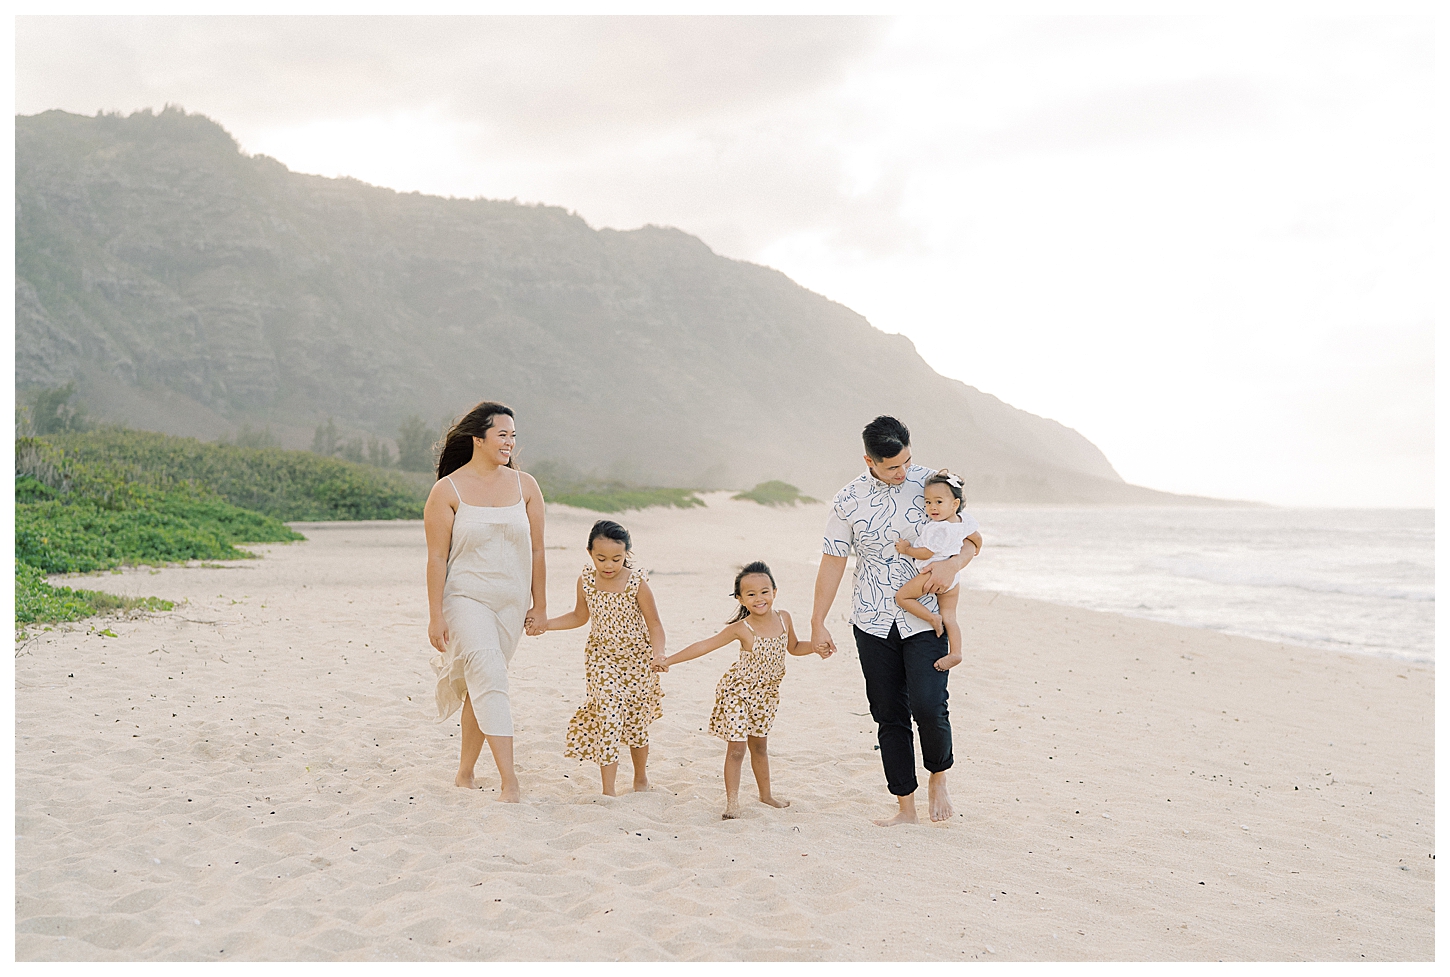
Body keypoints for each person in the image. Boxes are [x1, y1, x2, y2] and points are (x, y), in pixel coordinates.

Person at [809, 416, 983, 826]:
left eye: (906, 461)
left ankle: (939, 775)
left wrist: (954, 563)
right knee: (888, 713)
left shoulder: (934, 485)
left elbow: (973, 537)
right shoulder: (847, 500)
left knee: (928, 704)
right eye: (892, 467)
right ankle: (905, 805)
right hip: (871, 618)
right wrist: (817, 621)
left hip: (927, 617)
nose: (902, 472)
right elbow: (832, 563)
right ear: (869, 460)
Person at [424, 401, 547, 802]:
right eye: (502, 435)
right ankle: (510, 781)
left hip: (510, 604)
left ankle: (464, 773)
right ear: (478, 439)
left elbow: (539, 551)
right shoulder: (447, 491)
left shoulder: (525, 486)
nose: (510, 442)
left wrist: (539, 605)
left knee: (482, 683)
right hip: (465, 599)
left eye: (513, 435)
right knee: (491, 675)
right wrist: (435, 615)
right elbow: (437, 558)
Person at [657, 561, 826, 819]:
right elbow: (705, 645)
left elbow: (793, 647)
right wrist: (668, 660)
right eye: (751, 594)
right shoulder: (742, 628)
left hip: (767, 696)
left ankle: (766, 795)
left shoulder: (784, 618)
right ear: (741, 599)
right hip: (738, 693)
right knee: (737, 748)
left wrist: (815, 647)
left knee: (759, 746)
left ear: (774, 592)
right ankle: (732, 803)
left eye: (764, 591)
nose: (759, 598)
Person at [542, 520, 667, 796]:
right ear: (589, 553)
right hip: (602, 658)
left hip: (638, 660)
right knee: (608, 713)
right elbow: (579, 616)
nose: (609, 565)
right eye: (601, 558)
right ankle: (608, 791)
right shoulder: (586, 580)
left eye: (616, 559)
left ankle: (640, 778)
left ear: (626, 555)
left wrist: (659, 653)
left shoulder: (637, 583)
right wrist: (546, 624)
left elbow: (654, 624)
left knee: (636, 721)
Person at [893, 469, 978, 672]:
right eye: (928, 502)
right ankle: (956, 652)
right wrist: (976, 550)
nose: (932, 507)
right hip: (953, 579)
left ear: (954, 504)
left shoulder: (937, 527)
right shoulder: (962, 521)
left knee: (902, 598)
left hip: (931, 575)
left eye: (939, 502)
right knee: (951, 615)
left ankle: (932, 618)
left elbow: (925, 552)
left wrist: (907, 549)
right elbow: (977, 540)